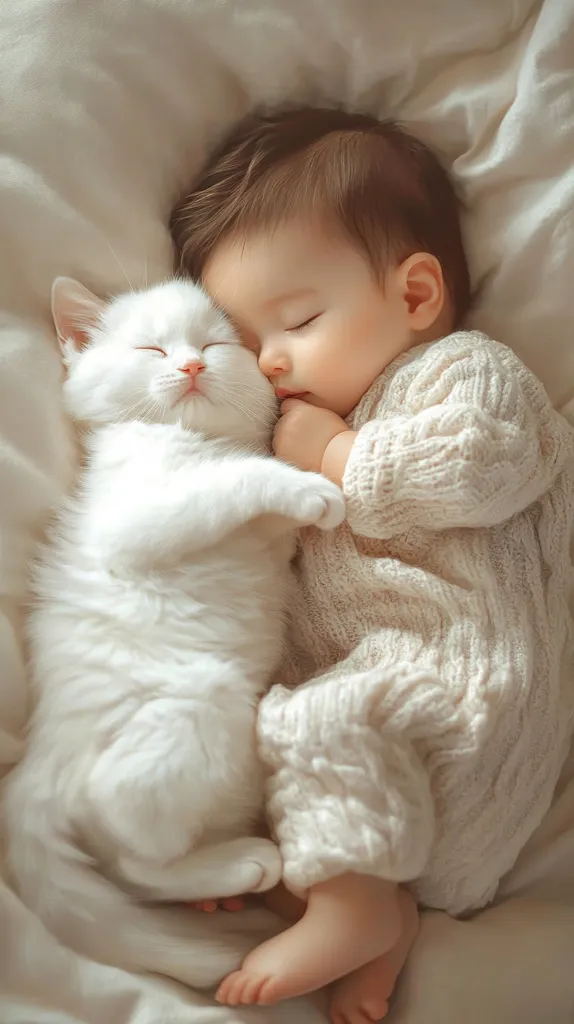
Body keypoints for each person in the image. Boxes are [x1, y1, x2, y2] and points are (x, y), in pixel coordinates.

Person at [170, 107, 574, 1024]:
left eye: (300, 319)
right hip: (410, 814)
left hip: (461, 697)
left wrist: (343, 458)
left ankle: (350, 903)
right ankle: (373, 912)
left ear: (417, 296)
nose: (269, 364)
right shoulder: (291, 431)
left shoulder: (461, 372)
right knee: (256, 755)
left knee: (321, 720)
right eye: (246, 341)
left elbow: (486, 460)